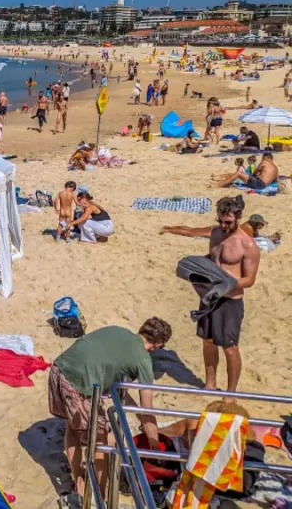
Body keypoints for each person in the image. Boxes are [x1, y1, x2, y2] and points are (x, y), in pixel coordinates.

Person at [48, 318, 171, 499]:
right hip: (79, 385)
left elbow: (121, 394)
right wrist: (153, 438)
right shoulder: (143, 359)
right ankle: (102, 492)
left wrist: (140, 418)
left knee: (72, 427)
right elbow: (147, 406)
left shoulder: (118, 331)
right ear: (156, 345)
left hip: (58, 370)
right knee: (103, 439)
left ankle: (79, 478)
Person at [198, 196, 260, 391]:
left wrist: (227, 283)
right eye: (220, 221)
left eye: (228, 222)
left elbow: (249, 279)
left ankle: (231, 392)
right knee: (208, 342)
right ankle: (210, 383)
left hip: (230, 301)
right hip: (210, 297)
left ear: (238, 218)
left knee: (230, 347)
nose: (224, 226)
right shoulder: (216, 233)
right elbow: (212, 260)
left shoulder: (248, 245)